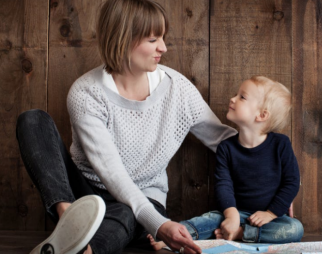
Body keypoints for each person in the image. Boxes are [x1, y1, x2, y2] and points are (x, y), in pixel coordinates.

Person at [16, 0, 237, 253]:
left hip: (144, 198)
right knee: (32, 120)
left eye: (162, 38)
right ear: (123, 39)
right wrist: (162, 226)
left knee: (127, 213)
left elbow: (225, 141)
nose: (163, 48)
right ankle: (69, 219)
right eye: (153, 40)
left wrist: (279, 178)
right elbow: (112, 173)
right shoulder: (86, 93)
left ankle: (82, 249)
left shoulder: (179, 89)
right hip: (84, 193)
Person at [149, 76, 304, 250]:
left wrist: (271, 213)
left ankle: (239, 234)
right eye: (236, 94)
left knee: (294, 229)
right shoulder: (227, 148)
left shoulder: (280, 144)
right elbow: (224, 185)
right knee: (208, 220)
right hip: (235, 212)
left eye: (242, 97)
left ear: (262, 115)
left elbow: (291, 182)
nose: (233, 99)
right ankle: (171, 237)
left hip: (270, 219)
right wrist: (231, 216)